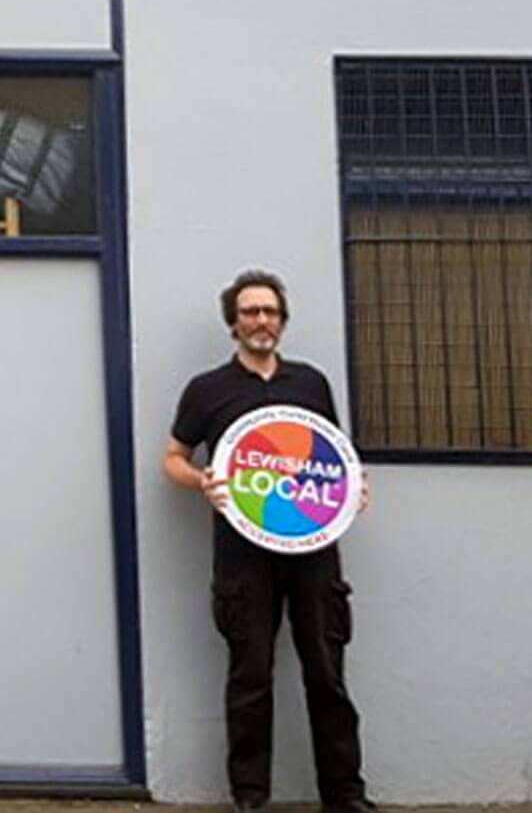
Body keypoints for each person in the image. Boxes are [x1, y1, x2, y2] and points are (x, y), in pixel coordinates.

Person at [163, 269, 375, 813]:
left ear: (282, 321)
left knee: (327, 673)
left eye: (271, 312)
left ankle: (346, 796)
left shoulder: (311, 384)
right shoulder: (207, 390)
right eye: (251, 312)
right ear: (233, 322)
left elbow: (331, 459)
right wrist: (202, 482)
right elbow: (173, 458)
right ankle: (251, 798)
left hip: (313, 552)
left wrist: (352, 489)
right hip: (242, 556)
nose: (262, 320)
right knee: (250, 677)